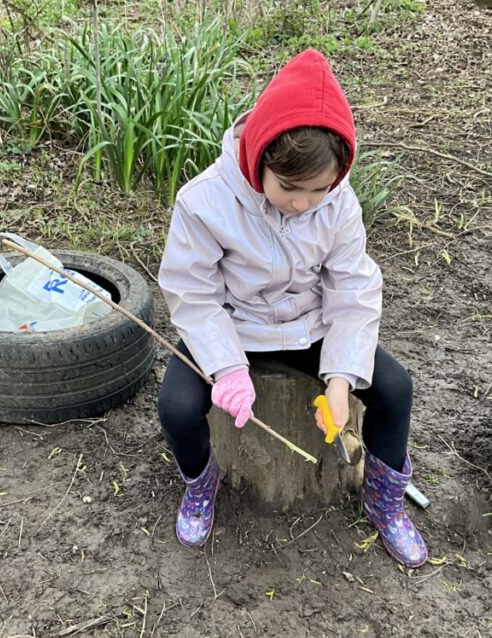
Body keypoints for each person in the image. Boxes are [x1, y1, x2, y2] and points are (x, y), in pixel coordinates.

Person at [156, 49, 427, 568]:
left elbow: (353, 290)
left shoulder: (339, 203)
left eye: (318, 190)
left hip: (308, 327)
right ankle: (200, 484)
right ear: (259, 158)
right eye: (289, 188)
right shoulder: (203, 201)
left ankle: (383, 499)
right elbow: (193, 293)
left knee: (395, 388)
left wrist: (341, 381)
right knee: (176, 408)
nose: (302, 204)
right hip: (234, 326)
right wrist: (226, 368)